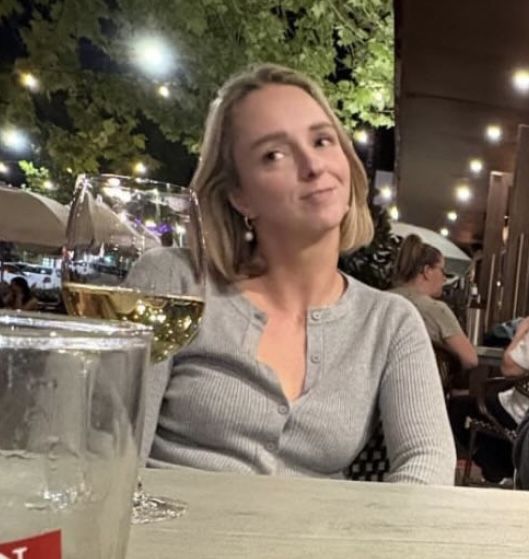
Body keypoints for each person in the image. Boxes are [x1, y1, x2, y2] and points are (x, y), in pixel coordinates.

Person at [133, 63, 456, 484]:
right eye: (274, 154)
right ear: (239, 195)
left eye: (322, 140)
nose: (313, 165)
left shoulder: (389, 322)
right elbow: (108, 453)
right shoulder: (174, 282)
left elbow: (428, 460)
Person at [449, 317, 529, 482]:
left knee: (456, 407)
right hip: (517, 409)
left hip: (518, 416)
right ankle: (500, 470)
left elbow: (509, 368)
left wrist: (521, 331)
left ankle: (499, 469)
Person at [390, 235, 478, 369]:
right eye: (442, 270)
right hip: (419, 378)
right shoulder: (435, 310)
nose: (444, 278)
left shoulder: (382, 300)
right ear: (427, 271)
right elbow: (470, 359)